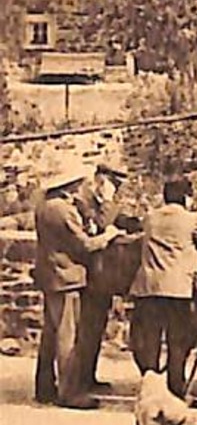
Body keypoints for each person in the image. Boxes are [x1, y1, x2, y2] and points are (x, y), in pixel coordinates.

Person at [129, 179, 197, 401]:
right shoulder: (191, 220)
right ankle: (176, 391)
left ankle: (149, 392)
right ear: (186, 198)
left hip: (148, 288)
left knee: (150, 344)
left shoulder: (150, 218)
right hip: (177, 290)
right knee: (178, 343)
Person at [33, 163, 122, 409]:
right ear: (69, 187)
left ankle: (45, 388)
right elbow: (85, 246)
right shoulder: (63, 210)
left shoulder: (45, 206)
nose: (81, 187)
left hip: (51, 276)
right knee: (67, 336)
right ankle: (69, 394)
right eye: (78, 184)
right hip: (65, 278)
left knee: (50, 335)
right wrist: (109, 236)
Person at [75, 160, 137, 393]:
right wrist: (109, 200)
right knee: (86, 330)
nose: (117, 188)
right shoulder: (84, 201)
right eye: (114, 182)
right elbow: (101, 224)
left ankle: (88, 378)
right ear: (102, 179)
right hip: (86, 274)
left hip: (101, 278)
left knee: (95, 328)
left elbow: (118, 219)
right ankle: (79, 382)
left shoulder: (102, 201)